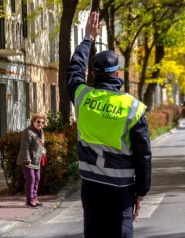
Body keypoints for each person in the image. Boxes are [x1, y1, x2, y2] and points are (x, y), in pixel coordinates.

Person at [66, 12, 152, 238]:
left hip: (91, 187)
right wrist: (141, 192)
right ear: (117, 73)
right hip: (121, 189)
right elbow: (143, 155)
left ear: (93, 73)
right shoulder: (132, 107)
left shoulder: (82, 97)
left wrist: (88, 38)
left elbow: (74, 70)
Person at [16, 113, 47, 209]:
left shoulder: (41, 131)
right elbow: (24, 147)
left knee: (37, 179)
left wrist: (43, 150)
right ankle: (29, 201)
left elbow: (40, 145)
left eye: (42, 122)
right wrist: (27, 161)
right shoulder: (28, 131)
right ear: (33, 121)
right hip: (28, 160)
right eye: (38, 121)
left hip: (36, 160)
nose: (40, 124)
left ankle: (34, 199)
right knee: (31, 179)